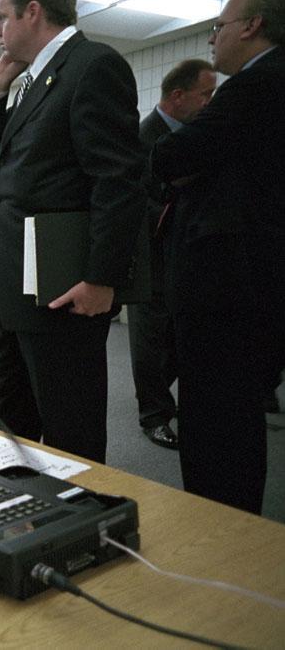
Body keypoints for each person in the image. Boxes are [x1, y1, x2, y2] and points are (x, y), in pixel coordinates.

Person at [0, 0, 144, 463]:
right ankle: (15, 508)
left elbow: (119, 180)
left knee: (70, 422)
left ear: (33, 11)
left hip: (62, 285)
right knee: (13, 407)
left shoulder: (92, 66)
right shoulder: (32, 78)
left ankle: (80, 528)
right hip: (17, 283)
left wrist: (102, 279)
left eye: (1, 17)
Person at [151, 0, 285, 514]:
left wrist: (189, 166)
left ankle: (220, 528)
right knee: (239, 412)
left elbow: (169, 159)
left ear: (252, 26)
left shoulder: (258, 84)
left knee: (216, 419)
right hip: (254, 281)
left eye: (219, 27)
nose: (213, 39)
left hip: (227, 289)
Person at [130, 60, 216, 451]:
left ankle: (159, 399)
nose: (209, 103)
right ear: (178, 96)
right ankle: (154, 416)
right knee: (150, 339)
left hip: (188, 254)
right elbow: (133, 201)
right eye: (206, 94)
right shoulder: (142, 138)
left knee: (179, 336)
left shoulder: (197, 135)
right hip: (151, 255)